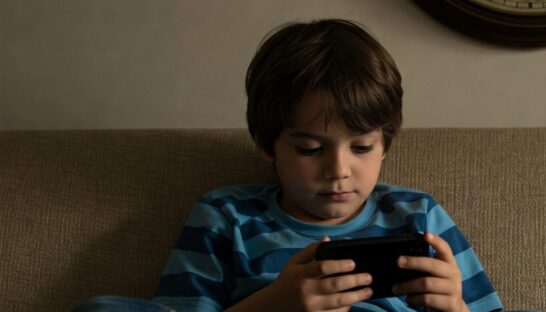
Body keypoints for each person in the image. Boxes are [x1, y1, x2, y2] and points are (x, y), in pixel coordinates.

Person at [146, 19, 503, 311]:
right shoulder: (228, 215)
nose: (338, 169)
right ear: (266, 145)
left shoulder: (418, 213)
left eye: (362, 147)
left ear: (385, 144)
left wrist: (455, 307)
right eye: (311, 149)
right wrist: (273, 305)